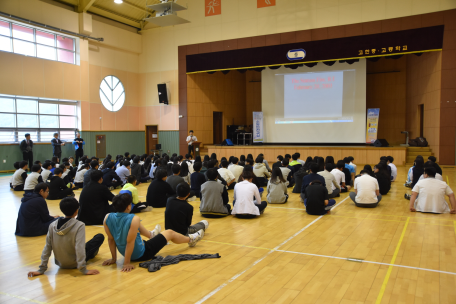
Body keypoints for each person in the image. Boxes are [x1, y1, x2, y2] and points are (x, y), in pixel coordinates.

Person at [103, 194, 204, 273]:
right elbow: (130, 242)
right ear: (128, 207)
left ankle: (152, 234)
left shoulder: (107, 217)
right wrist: (126, 263)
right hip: (143, 253)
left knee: (135, 224)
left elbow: (111, 239)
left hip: (125, 253)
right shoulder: (134, 218)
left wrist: (113, 258)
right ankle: (191, 239)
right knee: (169, 232)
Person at [28, 197, 104, 277]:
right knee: (99, 237)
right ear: (76, 211)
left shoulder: (52, 225)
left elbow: (47, 247)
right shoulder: (79, 225)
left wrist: (41, 269)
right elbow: (79, 248)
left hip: (60, 263)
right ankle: (92, 254)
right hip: (75, 263)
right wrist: (83, 269)